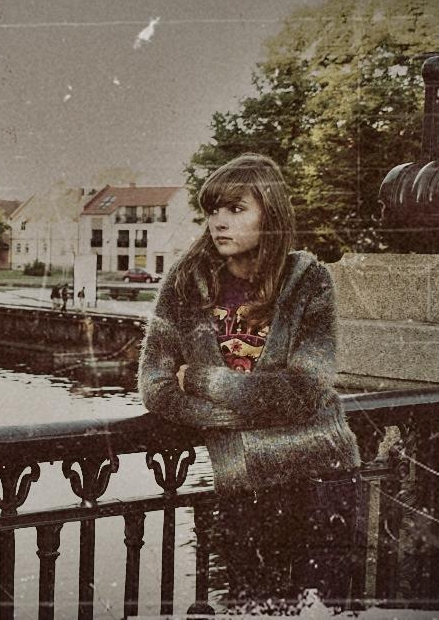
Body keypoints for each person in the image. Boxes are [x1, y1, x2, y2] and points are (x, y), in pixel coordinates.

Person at [137, 153, 363, 607]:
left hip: (322, 477)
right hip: (243, 485)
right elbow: (155, 387)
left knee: (327, 609)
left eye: (236, 209)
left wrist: (203, 379)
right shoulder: (184, 284)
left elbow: (305, 391)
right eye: (213, 210)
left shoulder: (308, 281)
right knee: (252, 608)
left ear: (270, 214)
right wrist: (254, 407)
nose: (219, 222)